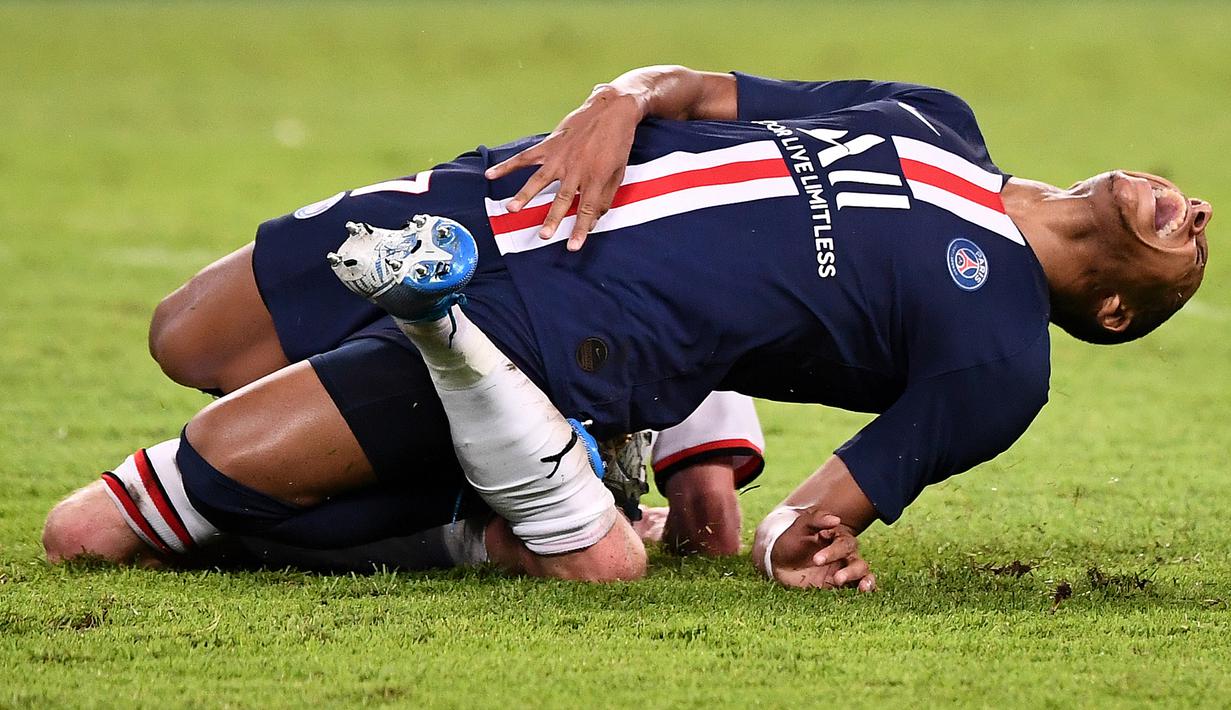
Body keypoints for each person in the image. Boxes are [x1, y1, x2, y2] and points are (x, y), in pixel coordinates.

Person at [43, 64, 1211, 590]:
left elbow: (807, 521)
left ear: (1116, 310)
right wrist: (616, 100)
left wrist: (798, 543)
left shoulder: (1002, 358)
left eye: (1198, 242)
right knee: (183, 335)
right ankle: (509, 476)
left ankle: (466, 407)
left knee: (91, 531)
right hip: (513, 193)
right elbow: (697, 90)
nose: (1198, 205)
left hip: (565, 330)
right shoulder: (936, 120)